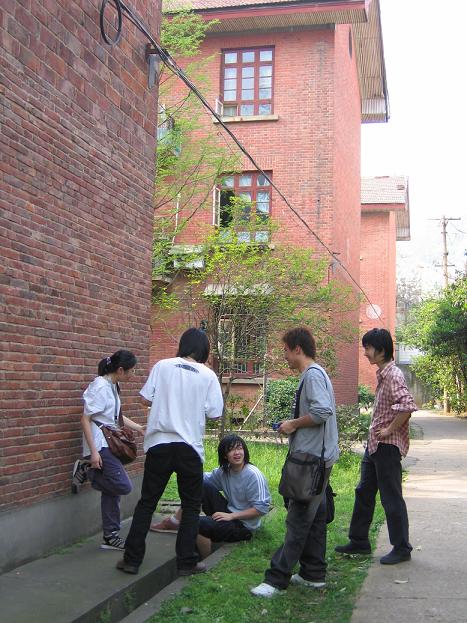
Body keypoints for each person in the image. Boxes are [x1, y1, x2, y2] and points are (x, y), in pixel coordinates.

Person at [116, 328, 224, 576]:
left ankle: (131, 560)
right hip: (189, 448)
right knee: (191, 505)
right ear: (204, 350)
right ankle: (186, 562)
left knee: (147, 503)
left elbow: (144, 399)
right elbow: (214, 413)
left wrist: (167, 399)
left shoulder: (162, 366)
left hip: (159, 444)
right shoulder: (208, 375)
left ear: (183, 345)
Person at [251, 327, 339, 598]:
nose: (285, 356)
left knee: (298, 519)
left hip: (311, 462)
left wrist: (293, 424)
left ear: (298, 349)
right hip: (320, 459)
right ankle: (313, 573)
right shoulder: (316, 374)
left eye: (286, 351)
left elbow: (322, 411)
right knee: (316, 516)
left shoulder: (312, 375)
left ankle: (276, 580)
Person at [335, 328, 417, 565]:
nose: (365, 353)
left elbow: (407, 406)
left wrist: (389, 430)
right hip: (374, 446)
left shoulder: (393, 375)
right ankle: (359, 541)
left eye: (368, 348)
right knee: (364, 492)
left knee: (391, 497)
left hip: (386, 447)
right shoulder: (383, 374)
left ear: (381, 351)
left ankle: (402, 548)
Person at [150, 434, 271, 558]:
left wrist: (231, 516)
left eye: (239, 448)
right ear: (225, 455)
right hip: (229, 512)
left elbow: (261, 508)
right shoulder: (225, 471)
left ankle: (205, 560)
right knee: (199, 484)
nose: (237, 453)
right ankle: (175, 521)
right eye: (231, 450)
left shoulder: (253, 475)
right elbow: (202, 479)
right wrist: (183, 467)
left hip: (244, 526)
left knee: (195, 523)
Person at [72, 350, 145, 551]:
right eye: (131, 371)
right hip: (100, 444)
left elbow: (115, 417)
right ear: (120, 370)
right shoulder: (100, 387)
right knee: (123, 486)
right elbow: (85, 419)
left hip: (110, 442)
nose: (133, 374)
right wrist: (93, 453)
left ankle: (110, 536)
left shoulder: (113, 385)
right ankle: (87, 469)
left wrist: (138, 427)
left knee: (111, 490)